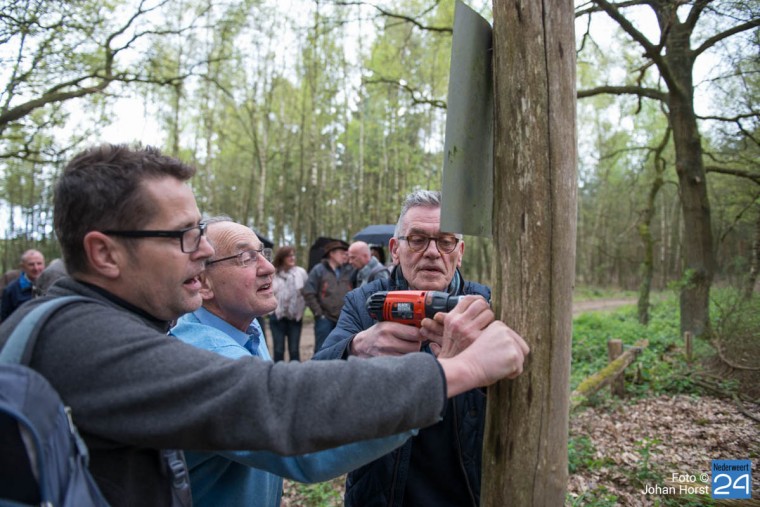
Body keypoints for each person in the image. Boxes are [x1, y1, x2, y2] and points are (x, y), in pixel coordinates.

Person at [0, 144, 528, 507]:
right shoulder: (90, 345)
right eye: (184, 235)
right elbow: (275, 407)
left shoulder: (84, 328)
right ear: (105, 252)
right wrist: (455, 371)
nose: (204, 249)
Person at [171, 219, 419, 507]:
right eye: (246, 257)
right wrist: (443, 377)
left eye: (261, 252)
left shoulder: (246, 328)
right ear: (202, 282)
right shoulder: (205, 356)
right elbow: (304, 442)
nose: (268, 267)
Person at [314, 190, 525, 507]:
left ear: (460, 251)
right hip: (382, 492)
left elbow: (522, 394)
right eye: (417, 240)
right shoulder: (365, 303)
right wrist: (355, 347)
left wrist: (481, 371)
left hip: (466, 487)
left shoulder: (487, 304)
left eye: (445, 241)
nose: (432, 252)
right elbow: (315, 381)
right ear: (395, 249)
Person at [302, 239, 354, 352]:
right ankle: (318, 370)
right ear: (332, 254)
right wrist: (318, 313)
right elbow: (308, 292)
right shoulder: (318, 270)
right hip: (324, 319)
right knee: (322, 350)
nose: (344, 256)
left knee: (342, 350)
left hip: (344, 319)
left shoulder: (349, 270)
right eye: (341, 253)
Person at [268, 245, 308, 361]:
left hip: (295, 318)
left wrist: (303, 308)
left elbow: (307, 293)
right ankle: (276, 377)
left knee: (294, 350)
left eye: (293, 255)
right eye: (289, 256)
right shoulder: (273, 273)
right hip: (277, 317)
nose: (292, 258)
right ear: (281, 258)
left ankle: (295, 377)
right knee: (278, 350)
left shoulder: (301, 273)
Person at [0, 249, 45, 319]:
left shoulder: (52, 285)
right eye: (31, 264)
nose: (36, 268)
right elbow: (5, 320)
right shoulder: (10, 290)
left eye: (39, 263)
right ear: (22, 267)